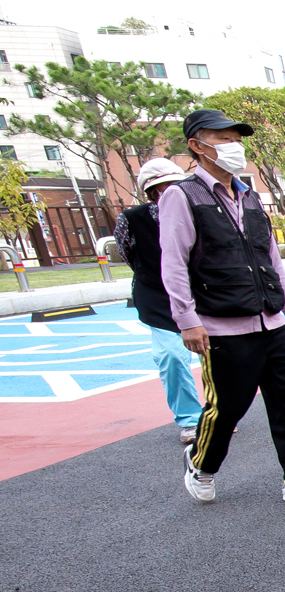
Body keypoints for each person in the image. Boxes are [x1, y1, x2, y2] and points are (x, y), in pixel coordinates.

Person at [164, 108, 285, 504]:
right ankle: (201, 464)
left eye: (236, 139)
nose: (234, 147)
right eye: (223, 139)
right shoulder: (182, 197)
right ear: (197, 146)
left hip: (271, 321)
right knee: (227, 407)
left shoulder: (249, 198)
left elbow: (271, 259)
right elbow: (174, 263)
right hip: (221, 325)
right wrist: (187, 320)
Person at [118, 157, 201, 444]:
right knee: (171, 356)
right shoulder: (132, 220)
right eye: (161, 188)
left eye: (176, 186)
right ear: (151, 192)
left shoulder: (200, 210)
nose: (169, 193)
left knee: (220, 356)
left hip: (201, 293)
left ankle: (219, 413)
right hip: (156, 295)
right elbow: (129, 255)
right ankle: (190, 419)